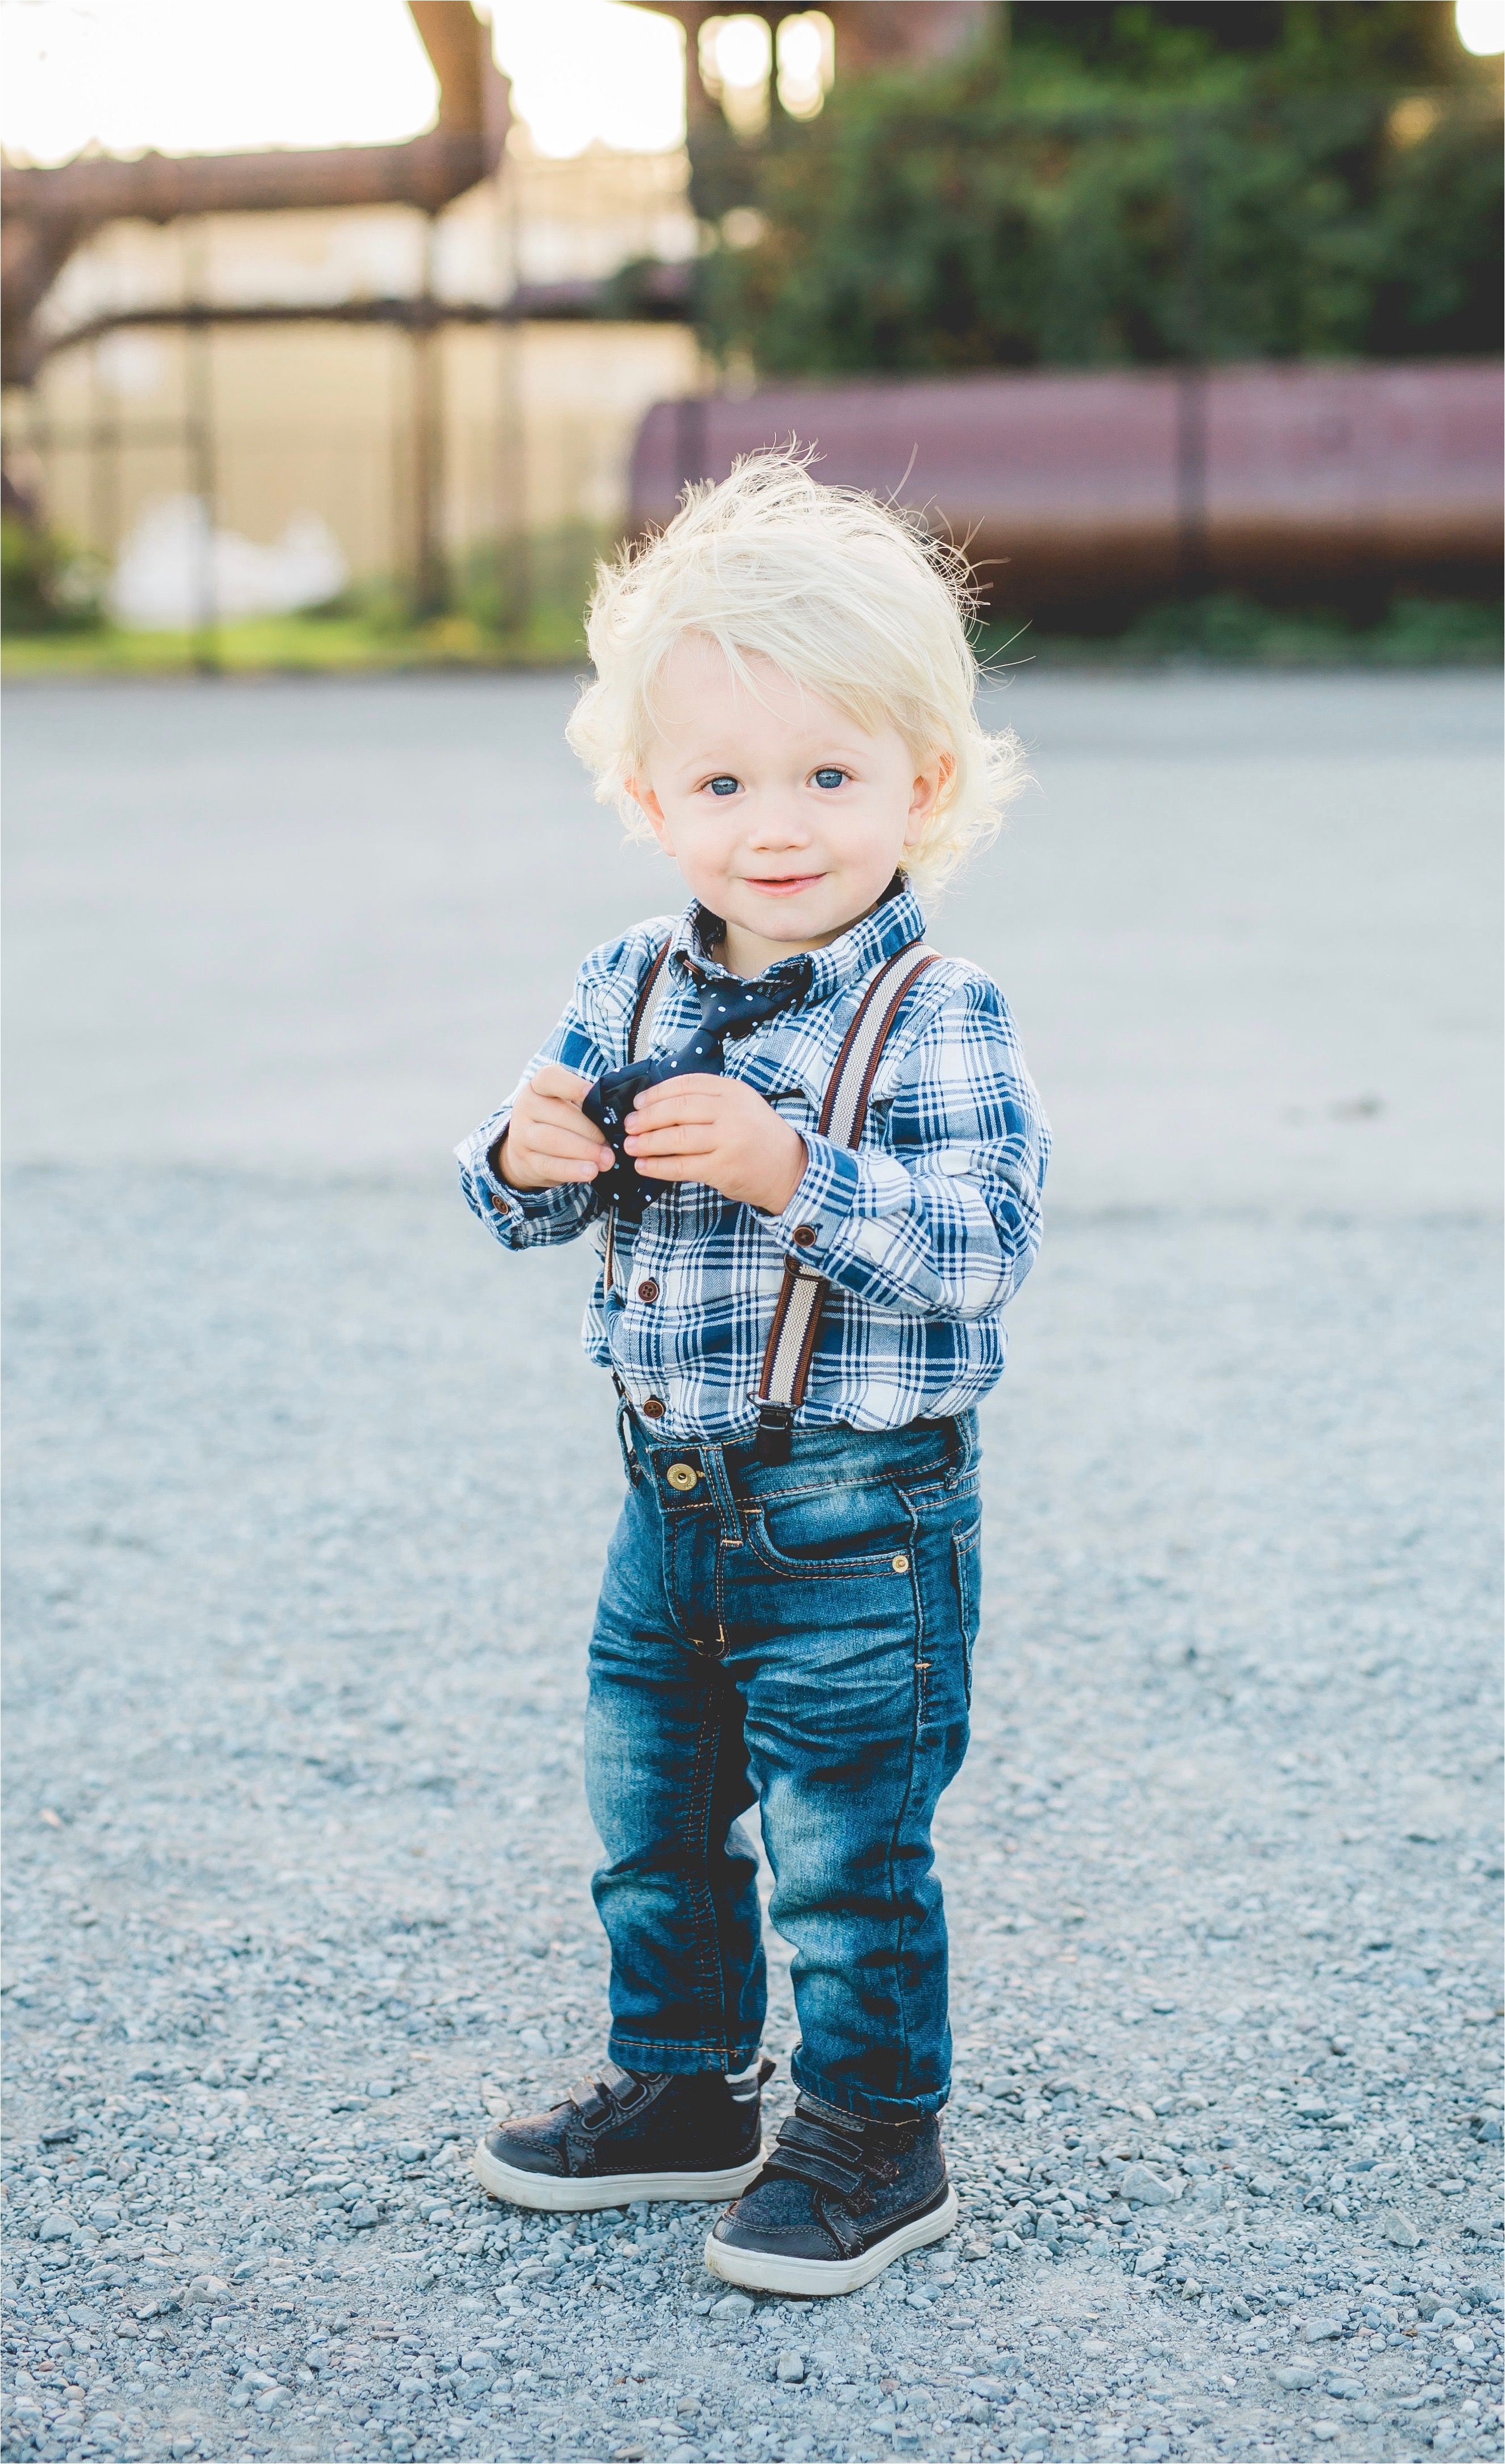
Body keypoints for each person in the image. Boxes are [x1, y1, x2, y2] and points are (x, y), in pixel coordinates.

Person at [455, 450, 1049, 2298]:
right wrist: (524, 1156)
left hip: (858, 1514)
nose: (773, 824)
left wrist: (800, 1171)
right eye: (721, 782)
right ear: (649, 796)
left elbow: (982, 1247)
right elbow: (513, 1201)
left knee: (848, 1842)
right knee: (650, 1812)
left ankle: (878, 2134)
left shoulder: (934, 1010)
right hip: (669, 1494)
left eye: (828, 775)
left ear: (922, 787)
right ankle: (682, 2088)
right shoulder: (624, 982)